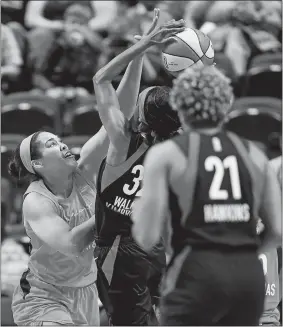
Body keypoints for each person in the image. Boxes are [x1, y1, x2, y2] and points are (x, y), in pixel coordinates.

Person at [10, 29, 147, 325]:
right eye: (50, 144)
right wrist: (115, 205)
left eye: (58, 139)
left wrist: (138, 54)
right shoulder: (37, 202)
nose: (60, 144)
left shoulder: (84, 167)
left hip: (86, 291)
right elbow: (72, 244)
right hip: (43, 295)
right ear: (37, 164)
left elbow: (119, 113)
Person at [132, 65, 282, 326]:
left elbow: (145, 235)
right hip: (247, 279)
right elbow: (277, 231)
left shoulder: (167, 154)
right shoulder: (255, 155)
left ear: (180, 106)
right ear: (226, 105)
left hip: (196, 275)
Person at [93, 9, 185, 325]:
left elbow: (101, 78)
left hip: (118, 253)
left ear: (142, 118)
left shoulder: (122, 143)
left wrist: (143, 45)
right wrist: (140, 54)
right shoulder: (177, 149)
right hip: (156, 246)